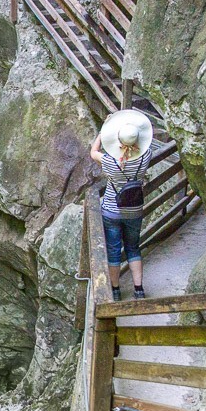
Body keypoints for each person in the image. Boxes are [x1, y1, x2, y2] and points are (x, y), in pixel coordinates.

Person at [90, 109, 155, 300]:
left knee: (113, 250)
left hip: (112, 210)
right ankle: (139, 289)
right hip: (134, 210)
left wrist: (103, 132)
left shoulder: (109, 161)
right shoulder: (145, 156)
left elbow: (93, 152)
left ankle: (116, 291)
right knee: (133, 248)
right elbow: (144, 145)